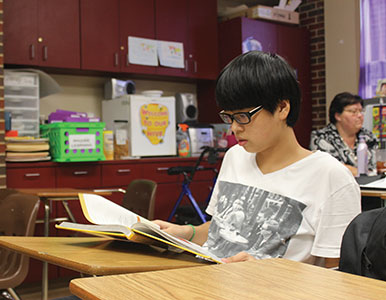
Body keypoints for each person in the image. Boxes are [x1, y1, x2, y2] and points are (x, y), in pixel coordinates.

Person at [154, 51, 361, 268]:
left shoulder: (331, 177)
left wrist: (268, 272)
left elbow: (341, 278)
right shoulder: (235, 156)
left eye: (243, 116)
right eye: (229, 117)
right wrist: (187, 232)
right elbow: (220, 229)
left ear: (282, 108)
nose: (234, 127)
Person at [309, 92, 378, 176]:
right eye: (353, 111)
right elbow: (329, 168)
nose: (360, 115)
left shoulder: (369, 137)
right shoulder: (321, 138)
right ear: (338, 116)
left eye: (361, 111)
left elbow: (375, 166)